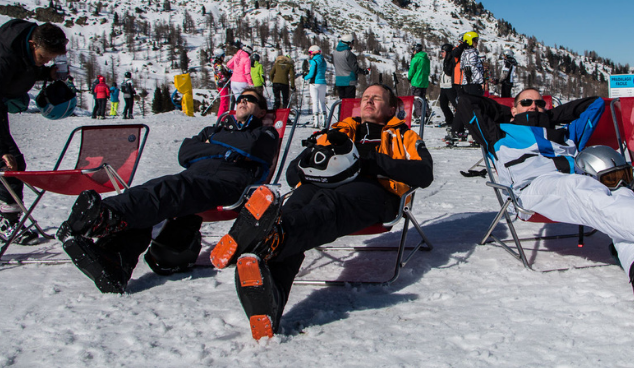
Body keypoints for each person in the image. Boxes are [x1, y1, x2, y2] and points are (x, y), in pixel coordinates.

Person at [208, 83, 433, 339]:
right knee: (294, 207)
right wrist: (316, 159)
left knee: (327, 206)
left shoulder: (404, 136)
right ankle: (271, 301)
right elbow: (294, 174)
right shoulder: (337, 132)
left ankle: (261, 238)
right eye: (366, 97)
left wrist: (370, 161)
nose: (368, 101)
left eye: (377, 99)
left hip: (374, 191)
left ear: (392, 108)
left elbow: (424, 174)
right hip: (321, 184)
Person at [458, 87, 634, 309]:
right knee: (577, 186)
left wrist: (547, 118)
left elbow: (595, 104)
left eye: (539, 103)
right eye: (526, 102)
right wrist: (517, 117)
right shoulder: (497, 132)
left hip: (579, 188)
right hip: (529, 191)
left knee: (620, 189)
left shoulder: (566, 131)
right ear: (512, 108)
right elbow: (466, 102)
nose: (534, 106)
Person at [57, 87, 280, 293]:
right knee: (154, 193)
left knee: (169, 188)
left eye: (249, 99)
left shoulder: (266, 133)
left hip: (229, 184)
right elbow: (185, 152)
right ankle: (115, 260)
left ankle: (104, 216)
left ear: (261, 112)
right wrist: (223, 147)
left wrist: (211, 144)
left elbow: (252, 148)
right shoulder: (214, 129)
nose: (242, 101)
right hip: (195, 178)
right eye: (240, 98)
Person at [0, 19, 68, 241]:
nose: (45, 62)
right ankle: (9, 223)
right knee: (9, 160)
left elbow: (25, 69)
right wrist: (0, 149)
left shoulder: (24, 49)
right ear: (33, 44)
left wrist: (48, 74)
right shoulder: (2, 57)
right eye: (44, 58)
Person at [446, 31, 484, 143]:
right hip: (472, 84)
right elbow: (473, 69)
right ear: (469, 41)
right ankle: (474, 134)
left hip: (465, 83)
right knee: (475, 108)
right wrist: (480, 81)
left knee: (463, 107)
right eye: (474, 40)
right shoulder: (471, 53)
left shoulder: (465, 52)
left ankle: (456, 130)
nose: (477, 42)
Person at [333, 34, 366, 99]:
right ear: (349, 43)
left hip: (339, 81)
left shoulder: (335, 53)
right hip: (349, 81)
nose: (353, 45)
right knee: (349, 103)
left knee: (342, 102)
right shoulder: (349, 54)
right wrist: (364, 71)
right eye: (352, 43)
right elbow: (355, 69)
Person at [304, 45, 327, 128]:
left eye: (310, 53)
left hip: (314, 83)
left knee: (315, 102)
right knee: (322, 102)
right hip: (323, 83)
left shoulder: (314, 61)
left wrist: (305, 77)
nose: (309, 55)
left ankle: (316, 122)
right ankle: (324, 120)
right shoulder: (323, 61)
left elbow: (311, 74)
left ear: (314, 52)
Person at [407, 43, 430, 120]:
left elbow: (412, 70)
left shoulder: (415, 59)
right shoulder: (426, 59)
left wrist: (409, 78)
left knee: (416, 99)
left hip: (416, 82)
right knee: (423, 99)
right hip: (424, 82)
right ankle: (427, 114)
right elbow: (428, 71)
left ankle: (420, 115)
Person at [227, 40, 252, 105]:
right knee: (244, 102)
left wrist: (236, 69)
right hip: (242, 82)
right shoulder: (247, 59)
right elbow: (247, 72)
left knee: (237, 102)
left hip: (233, 82)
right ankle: (244, 115)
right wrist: (250, 83)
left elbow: (228, 65)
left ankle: (236, 115)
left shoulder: (236, 56)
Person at [438, 43, 457, 126]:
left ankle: (462, 121)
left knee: (455, 104)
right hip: (444, 86)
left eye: (443, 51)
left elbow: (449, 72)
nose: (441, 53)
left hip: (450, 86)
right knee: (443, 104)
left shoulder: (452, 60)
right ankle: (450, 120)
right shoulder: (445, 60)